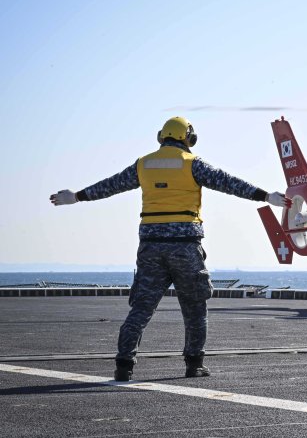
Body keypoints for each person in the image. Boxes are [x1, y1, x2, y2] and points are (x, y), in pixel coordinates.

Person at [49, 116, 290, 381]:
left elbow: (110, 185)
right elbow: (229, 183)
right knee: (195, 307)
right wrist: (266, 196)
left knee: (141, 308)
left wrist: (75, 197)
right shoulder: (192, 164)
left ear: (161, 137)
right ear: (188, 138)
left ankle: (124, 365)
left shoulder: (144, 164)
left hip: (150, 247)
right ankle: (194, 364)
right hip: (185, 248)